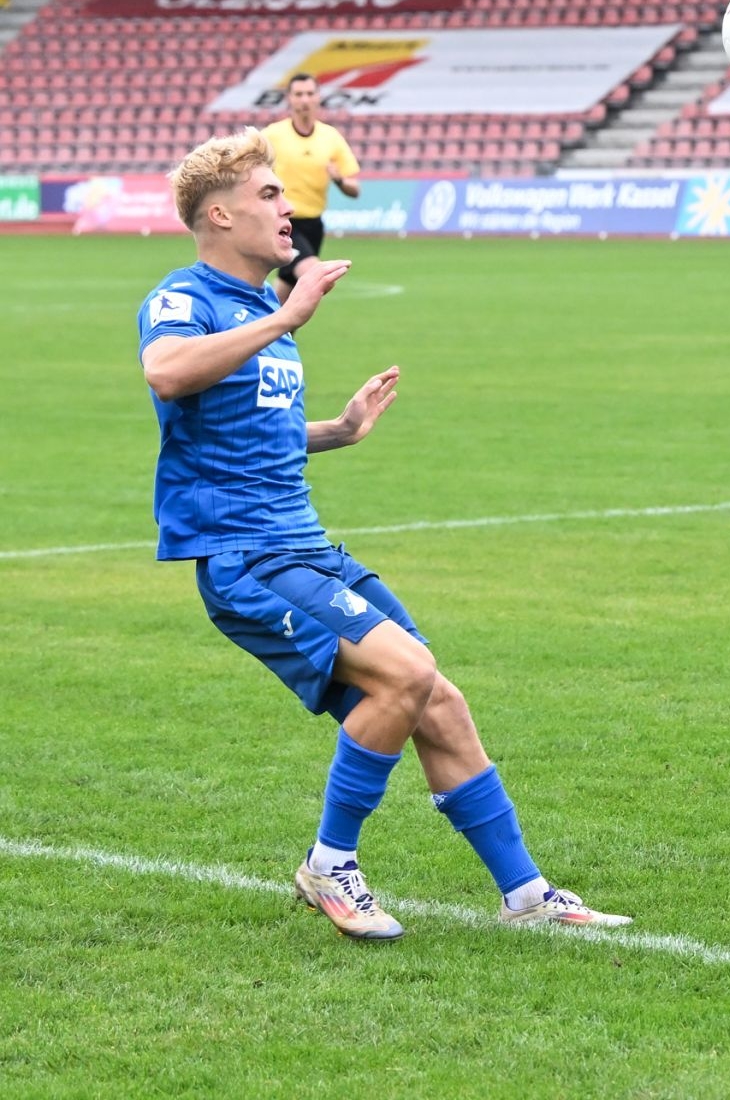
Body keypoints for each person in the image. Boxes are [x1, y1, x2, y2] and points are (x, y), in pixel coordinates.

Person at [138, 129, 628, 940]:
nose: (288, 207)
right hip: (245, 555)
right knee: (406, 675)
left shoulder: (259, 310)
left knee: (437, 699)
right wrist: (289, 315)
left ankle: (527, 895)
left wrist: (337, 430)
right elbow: (166, 371)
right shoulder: (185, 298)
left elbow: (252, 436)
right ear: (218, 215)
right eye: (268, 194)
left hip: (303, 545)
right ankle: (329, 864)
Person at [263, 73, 360, 305]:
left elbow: (355, 189)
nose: (304, 99)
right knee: (316, 275)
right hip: (284, 221)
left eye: (309, 93)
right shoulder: (272, 135)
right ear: (289, 98)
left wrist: (339, 180)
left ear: (318, 97)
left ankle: (264, 327)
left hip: (314, 226)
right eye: (299, 94)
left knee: (284, 297)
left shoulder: (330, 137)